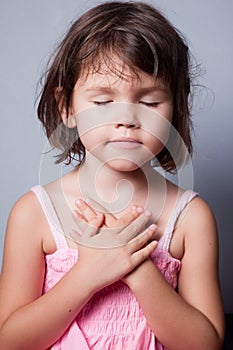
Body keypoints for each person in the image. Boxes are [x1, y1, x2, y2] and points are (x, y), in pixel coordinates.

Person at [0, 1, 225, 349]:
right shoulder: (34, 214)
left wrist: (135, 265)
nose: (126, 119)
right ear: (67, 109)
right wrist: (88, 274)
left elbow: (204, 344)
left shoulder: (190, 218)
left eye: (149, 102)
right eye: (103, 101)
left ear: (174, 109)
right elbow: (10, 341)